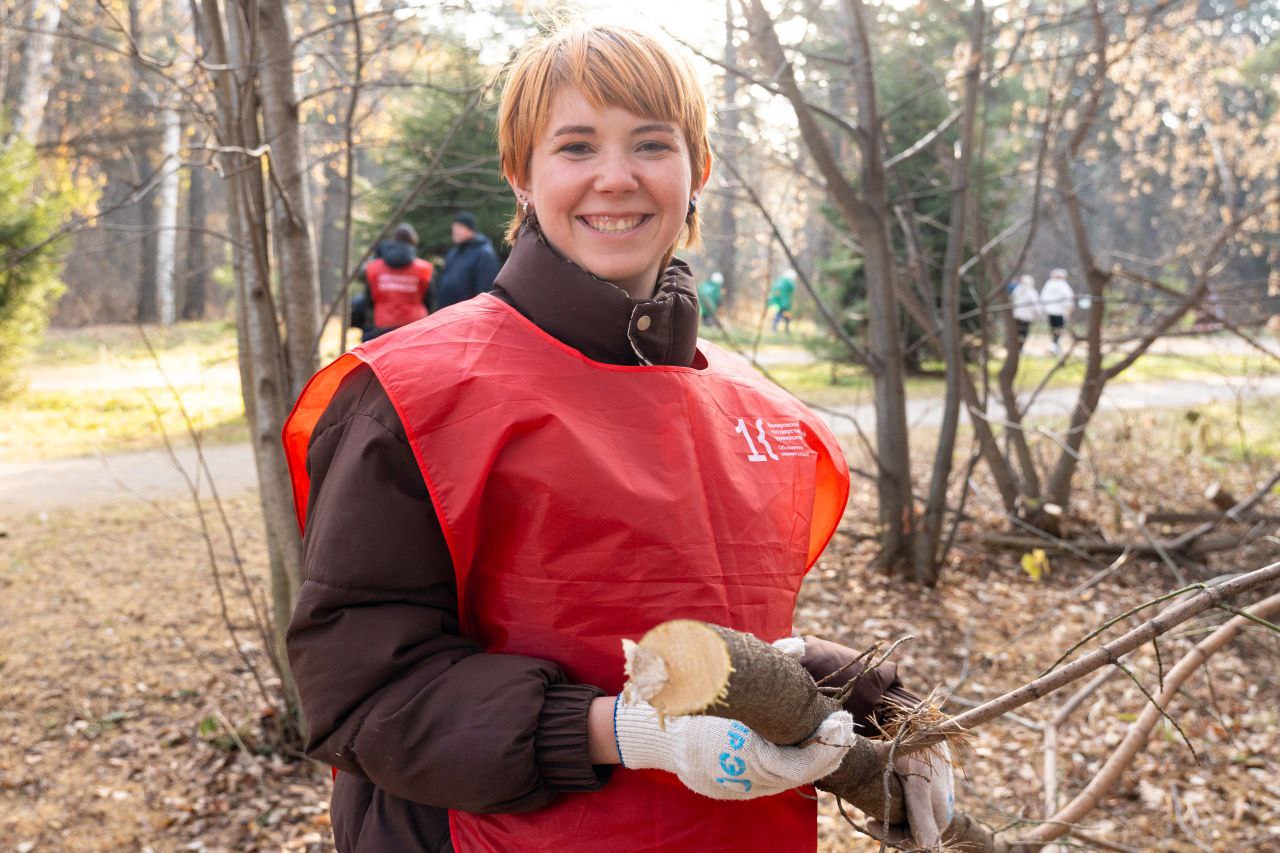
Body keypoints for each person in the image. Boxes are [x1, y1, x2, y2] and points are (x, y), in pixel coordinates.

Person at [282, 24, 952, 853]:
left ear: (696, 171)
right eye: (575, 146)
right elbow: (362, 698)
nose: (615, 177)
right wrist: (632, 730)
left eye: (650, 143)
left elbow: (711, 622)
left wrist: (875, 704)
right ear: (520, 176)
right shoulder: (415, 395)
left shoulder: (754, 409)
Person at [358, 223, 434, 341]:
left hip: (383, 326)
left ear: (393, 240)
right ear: (413, 241)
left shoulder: (373, 268)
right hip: (415, 327)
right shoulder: (424, 269)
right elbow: (429, 300)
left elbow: (369, 300)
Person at [432, 211, 501, 310]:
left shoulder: (484, 253)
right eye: (454, 228)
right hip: (447, 313)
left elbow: (486, 290)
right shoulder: (454, 252)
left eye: (460, 227)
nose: (455, 231)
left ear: (471, 229)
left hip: (467, 315)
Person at [1040, 267, 1075, 354]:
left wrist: (1044, 309)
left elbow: (1043, 297)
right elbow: (1069, 298)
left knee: (1054, 328)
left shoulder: (1049, 284)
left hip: (1050, 311)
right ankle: (1055, 345)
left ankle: (1055, 345)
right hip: (1060, 312)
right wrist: (1070, 308)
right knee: (1059, 329)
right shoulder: (1063, 285)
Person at [1010, 273, 1043, 343]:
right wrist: (1039, 314)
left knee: (1017, 332)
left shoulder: (1017, 290)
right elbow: (1036, 304)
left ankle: (1017, 346)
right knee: (1023, 333)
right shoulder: (1031, 291)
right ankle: (1019, 347)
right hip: (1026, 317)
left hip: (1016, 315)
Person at [768, 269, 797, 334]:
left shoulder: (778, 281)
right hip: (784, 303)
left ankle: (782, 329)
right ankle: (776, 329)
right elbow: (792, 289)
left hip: (775, 302)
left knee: (780, 315)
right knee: (780, 315)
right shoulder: (788, 282)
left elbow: (773, 291)